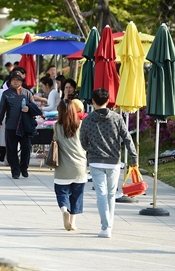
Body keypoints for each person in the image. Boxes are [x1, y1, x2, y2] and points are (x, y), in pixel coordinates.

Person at [80, 88, 138, 238]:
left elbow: (82, 141)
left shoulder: (87, 119)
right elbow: (127, 138)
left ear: (92, 101)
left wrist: (89, 150)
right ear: (108, 101)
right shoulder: (117, 118)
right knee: (111, 194)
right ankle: (108, 225)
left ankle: (105, 225)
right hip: (113, 162)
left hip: (95, 161)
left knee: (101, 194)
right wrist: (134, 158)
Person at [53, 99, 87, 231]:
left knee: (61, 193)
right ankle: (72, 223)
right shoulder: (81, 125)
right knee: (77, 195)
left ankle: (64, 210)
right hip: (80, 166)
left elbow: (55, 142)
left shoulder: (57, 126)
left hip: (63, 167)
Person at [0, 71, 37, 179]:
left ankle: (24, 168)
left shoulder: (27, 93)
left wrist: (29, 109)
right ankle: (15, 170)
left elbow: (34, 107)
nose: (15, 81)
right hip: (11, 125)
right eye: (13, 79)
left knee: (26, 148)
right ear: (10, 81)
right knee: (11, 149)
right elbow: (2, 109)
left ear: (22, 81)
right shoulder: (6, 93)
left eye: (18, 80)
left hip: (25, 126)